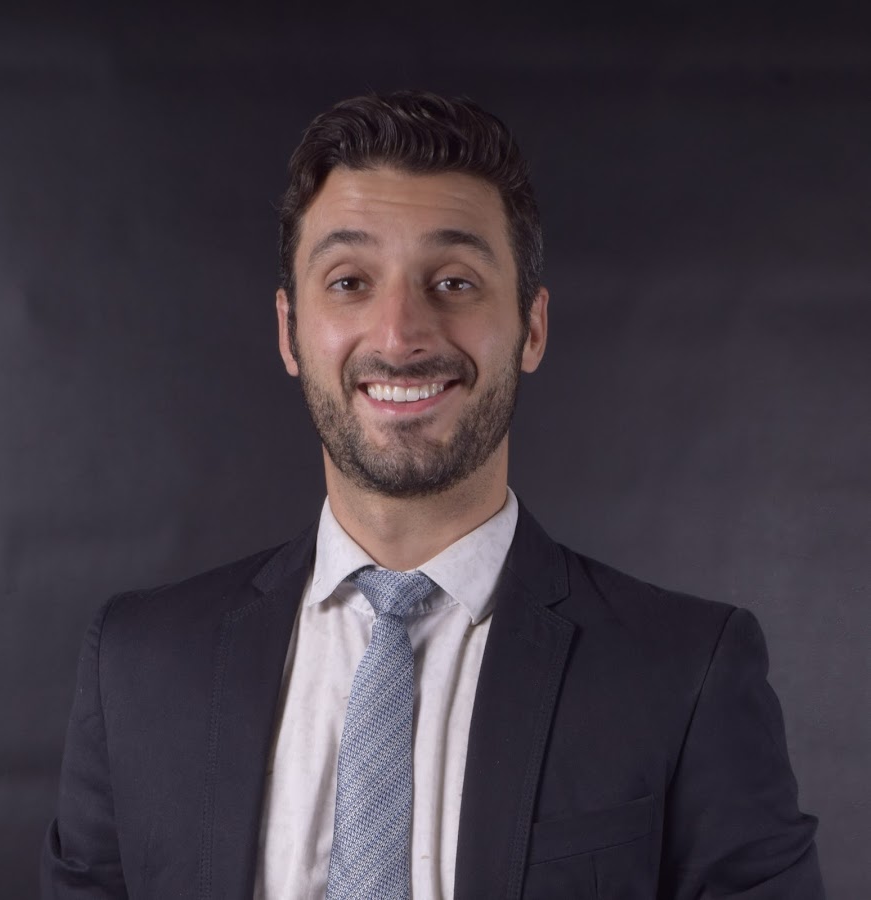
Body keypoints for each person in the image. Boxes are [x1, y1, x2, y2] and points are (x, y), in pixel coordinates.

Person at [42, 91, 824, 899]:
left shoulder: (686, 673)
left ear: (531, 328)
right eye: (349, 281)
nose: (399, 335)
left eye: (453, 281)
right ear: (288, 331)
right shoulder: (137, 667)